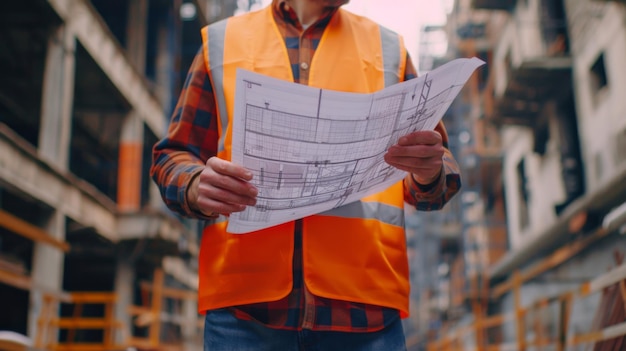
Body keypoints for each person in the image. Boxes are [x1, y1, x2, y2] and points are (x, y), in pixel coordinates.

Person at [151, 0, 461, 350]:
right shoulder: (223, 42)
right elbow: (173, 157)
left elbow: (439, 171)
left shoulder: (388, 50)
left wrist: (429, 172)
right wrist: (194, 184)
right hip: (245, 315)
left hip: (365, 312)